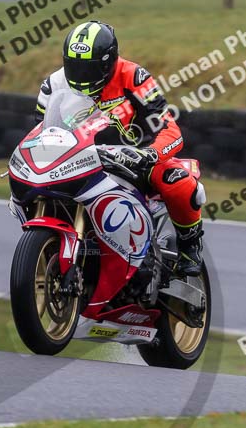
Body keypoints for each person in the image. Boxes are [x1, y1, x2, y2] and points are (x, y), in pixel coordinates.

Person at [34, 20, 205, 276]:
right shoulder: (53, 84)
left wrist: (150, 154)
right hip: (78, 159)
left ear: (108, 61)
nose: (81, 76)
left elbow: (169, 128)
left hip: (133, 158)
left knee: (177, 180)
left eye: (88, 68)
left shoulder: (134, 77)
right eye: (75, 66)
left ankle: (189, 247)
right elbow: (39, 131)